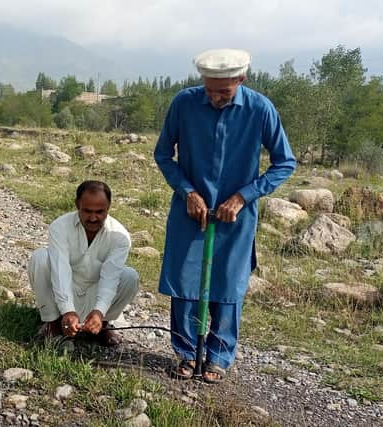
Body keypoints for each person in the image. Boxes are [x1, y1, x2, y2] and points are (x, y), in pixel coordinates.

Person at [154, 49, 296, 383]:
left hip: (237, 216)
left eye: (224, 91)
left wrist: (244, 196)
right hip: (190, 210)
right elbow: (163, 154)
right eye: (210, 90)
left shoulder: (260, 109)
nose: (216, 97)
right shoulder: (184, 104)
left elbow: (284, 162)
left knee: (230, 283)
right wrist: (187, 191)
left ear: (241, 80)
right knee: (185, 280)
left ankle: (218, 356)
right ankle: (186, 354)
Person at [28, 180, 139, 347]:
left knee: (130, 276)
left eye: (100, 212)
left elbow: (111, 277)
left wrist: (99, 312)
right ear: (77, 204)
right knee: (41, 258)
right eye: (87, 211)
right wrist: (67, 310)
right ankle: (52, 323)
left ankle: (102, 324)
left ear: (108, 207)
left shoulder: (120, 236)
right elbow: (60, 270)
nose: (93, 218)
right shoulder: (60, 226)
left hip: (95, 292)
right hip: (64, 289)